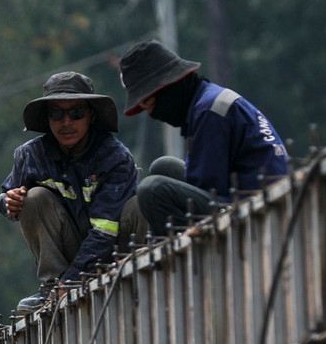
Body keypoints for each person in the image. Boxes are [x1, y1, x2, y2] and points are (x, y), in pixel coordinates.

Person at [0, 71, 139, 315]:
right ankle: (51, 285)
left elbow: (105, 232)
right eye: (56, 114)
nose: (66, 123)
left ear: (91, 115)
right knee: (33, 198)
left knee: (139, 203)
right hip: (68, 260)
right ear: (47, 118)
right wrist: (8, 203)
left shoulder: (115, 158)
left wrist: (72, 281)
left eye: (76, 113)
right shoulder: (30, 155)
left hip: (114, 253)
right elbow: (7, 196)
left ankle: (137, 274)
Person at [119, 39, 290, 234]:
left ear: (166, 89)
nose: (153, 114)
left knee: (151, 190)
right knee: (162, 167)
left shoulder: (210, 111)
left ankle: (171, 254)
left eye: (149, 104)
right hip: (233, 195)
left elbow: (208, 187)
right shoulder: (206, 101)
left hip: (253, 206)